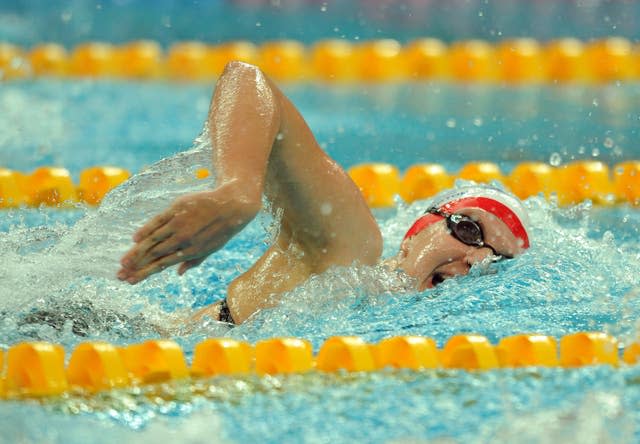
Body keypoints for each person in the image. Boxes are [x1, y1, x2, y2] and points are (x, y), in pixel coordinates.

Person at [117, 61, 530, 325]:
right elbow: (246, 79)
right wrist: (238, 191)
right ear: (420, 228)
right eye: (470, 231)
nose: (478, 260)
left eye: (498, 259)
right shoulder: (349, 250)